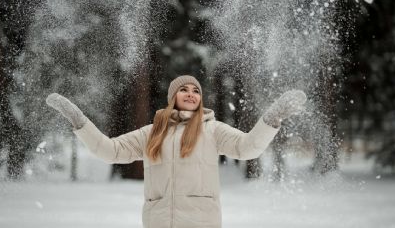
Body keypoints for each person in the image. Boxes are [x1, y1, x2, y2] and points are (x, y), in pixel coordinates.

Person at [46, 75, 306, 228]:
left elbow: (248, 147)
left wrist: (272, 119)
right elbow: (109, 150)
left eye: (196, 91)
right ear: (173, 96)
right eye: (184, 89)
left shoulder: (213, 130)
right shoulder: (152, 132)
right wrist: (79, 121)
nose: (191, 94)